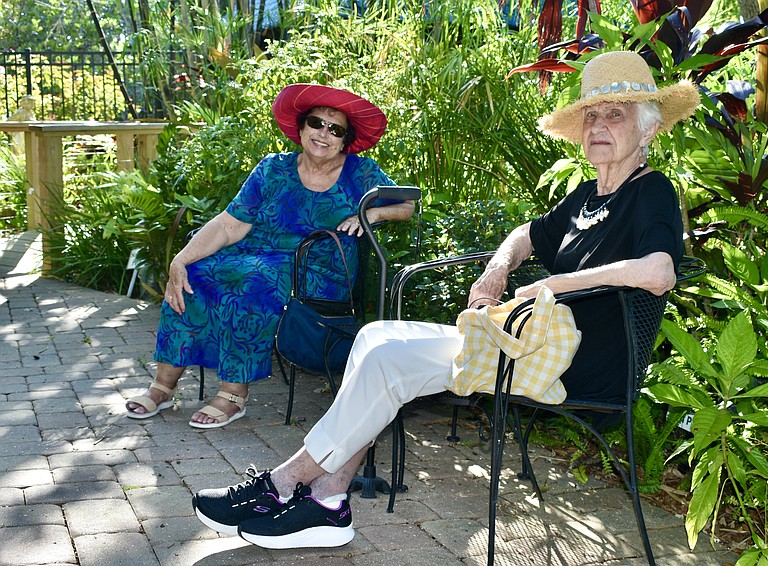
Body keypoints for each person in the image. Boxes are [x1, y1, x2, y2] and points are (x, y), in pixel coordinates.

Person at [190, 50, 700, 548]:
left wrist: (553, 285)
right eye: (591, 115)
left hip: (573, 363)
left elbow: (659, 271)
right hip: (527, 342)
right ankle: (325, 500)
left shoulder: (650, 190)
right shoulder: (587, 196)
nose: (598, 125)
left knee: (388, 358)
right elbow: (527, 233)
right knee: (375, 337)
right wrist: (499, 267)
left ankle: (286, 484)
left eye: (616, 115)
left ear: (649, 128)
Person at [124, 84, 414, 428]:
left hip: (319, 270)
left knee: (254, 283)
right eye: (316, 123)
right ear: (301, 128)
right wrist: (180, 260)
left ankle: (233, 395)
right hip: (257, 256)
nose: (323, 134)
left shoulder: (361, 172)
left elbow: (407, 204)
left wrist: (371, 215)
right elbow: (230, 225)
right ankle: (163, 386)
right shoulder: (273, 168)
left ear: (345, 139)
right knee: (196, 275)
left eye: (335, 130)